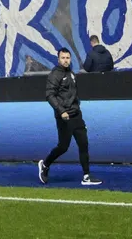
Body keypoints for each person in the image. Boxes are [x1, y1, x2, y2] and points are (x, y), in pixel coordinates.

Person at [36, 47, 100, 187]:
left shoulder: (71, 73)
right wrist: (61, 111)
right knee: (63, 147)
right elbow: (50, 95)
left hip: (77, 115)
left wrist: (78, 107)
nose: (66, 60)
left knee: (83, 144)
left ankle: (86, 176)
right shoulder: (55, 75)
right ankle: (45, 165)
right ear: (58, 59)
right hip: (64, 116)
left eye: (68, 58)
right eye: (63, 58)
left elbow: (73, 94)